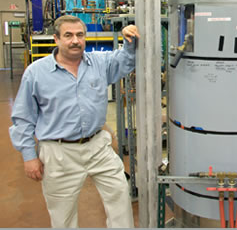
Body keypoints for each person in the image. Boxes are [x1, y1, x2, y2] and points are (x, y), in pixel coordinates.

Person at [9, 15, 140, 228]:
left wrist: (130, 39)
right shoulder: (37, 73)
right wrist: (29, 156)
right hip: (59, 152)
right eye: (68, 35)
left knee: (119, 195)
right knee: (63, 216)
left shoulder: (99, 63)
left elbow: (125, 60)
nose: (75, 41)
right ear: (56, 39)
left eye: (80, 35)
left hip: (98, 145)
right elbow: (23, 118)